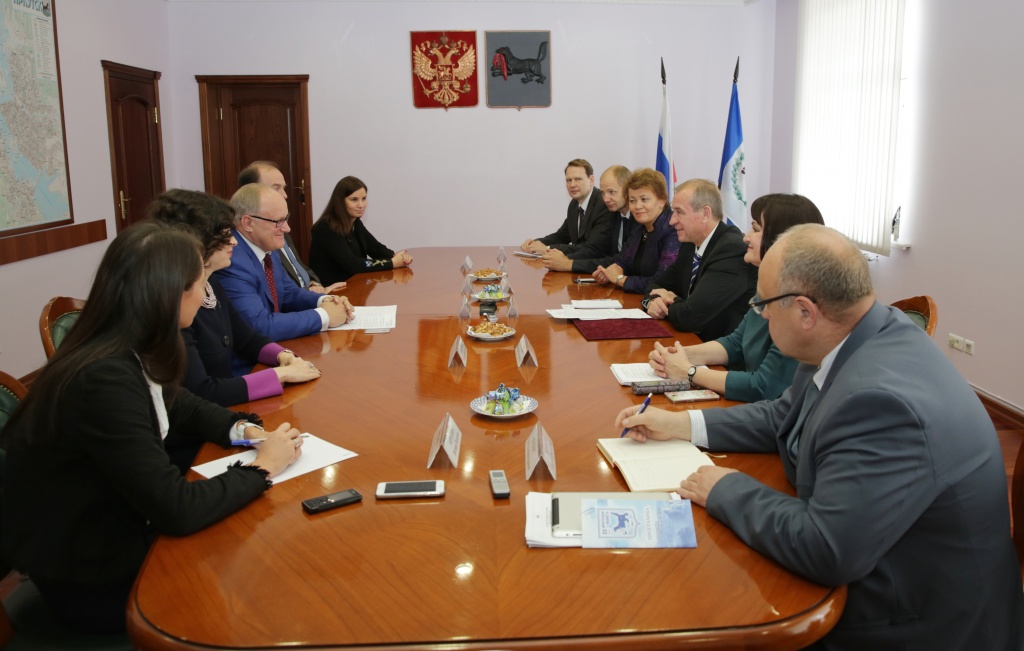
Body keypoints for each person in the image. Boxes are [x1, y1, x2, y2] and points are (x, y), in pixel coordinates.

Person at [617, 224, 1024, 650]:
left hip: (913, 624)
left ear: (805, 312)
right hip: (884, 568)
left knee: (700, 602)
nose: (759, 315)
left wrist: (725, 487)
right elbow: (783, 414)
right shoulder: (852, 333)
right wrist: (682, 425)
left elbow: (827, 548)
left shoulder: (881, 402)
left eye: (762, 304)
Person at [0, 222, 305, 634]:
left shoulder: (124, 343)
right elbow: (176, 508)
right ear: (169, 293)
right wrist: (262, 467)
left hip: (118, 530)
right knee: (261, 587)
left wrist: (244, 430)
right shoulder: (103, 378)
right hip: (92, 576)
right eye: (199, 282)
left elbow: (179, 403)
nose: (205, 293)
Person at [147, 189, 322, 406]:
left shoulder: (211, 282)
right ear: (198, 241)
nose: (234, 242)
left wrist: (283, 356)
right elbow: (204, 391)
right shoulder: (177, 304)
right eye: (225, 234)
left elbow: (247, 338)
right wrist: (281, 375)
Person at [649, 194, 823, 401]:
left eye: (755, 229)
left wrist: (689, 372)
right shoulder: (770, 286)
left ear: (783, 240)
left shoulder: (798, 305)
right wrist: (677, 355)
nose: (746, 237)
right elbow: (735, 344)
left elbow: (763, 386)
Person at [215, 184, 355, 342]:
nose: (287, 228)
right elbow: (259, 326)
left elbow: (289, 293)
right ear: (248, 223)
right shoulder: (231, 260)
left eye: (286, 219)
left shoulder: (267, 246)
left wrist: (326, 301)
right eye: (278, 221)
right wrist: (325, 316)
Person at [641, 179, 756, 341]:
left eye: (679, 212)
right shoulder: (690, 243)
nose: (672, 220)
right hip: (691, 340)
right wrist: (653, 302)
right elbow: (656, 286)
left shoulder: (731, 250)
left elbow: (689, 318)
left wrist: (672, 299)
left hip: (721, 349)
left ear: (705, 214)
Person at [237, 161, 345, 294]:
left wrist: (314, 285)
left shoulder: (280, 231)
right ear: (250, 191)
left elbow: (300, 268)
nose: (285, 195)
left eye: (284, 188)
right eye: (276, 188)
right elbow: (281, 296)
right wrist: (314, 297)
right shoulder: (248, 248)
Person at [308, 176, 413, 284]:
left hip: (353, 284)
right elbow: (353, 264)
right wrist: (392, 263)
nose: (361, 205)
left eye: (364, 199)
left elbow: (375, 248)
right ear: (340, 202)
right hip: (332, 290)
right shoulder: (327, 227)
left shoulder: (355, 222)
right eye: (354, 199)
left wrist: (395, 256)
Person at [591, 168, 679, 293]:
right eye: (632, 201)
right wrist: (612, 270)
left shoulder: (673, 230)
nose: (637, 206)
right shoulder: (641, 225)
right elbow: (625, 259)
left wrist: (620, 279)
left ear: (662, 201)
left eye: (644, 199)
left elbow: (662, 282)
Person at [540, 165, 640, 273]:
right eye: (603, 193)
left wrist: (569, 263)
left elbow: (622, 260)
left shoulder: (639, 218)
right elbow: (596, 249)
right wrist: (563, 260)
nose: (606, 199)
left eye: (611, 192)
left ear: (627, 190)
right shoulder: (614, 214)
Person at [521, 159, 616, 259]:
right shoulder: (574, 204)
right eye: (569, 180)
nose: (572, 185)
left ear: (591, 180)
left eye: (578, 179)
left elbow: (591, 248)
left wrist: (547, 249)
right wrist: (535, 243)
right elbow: (561, 236)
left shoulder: (603, 204)